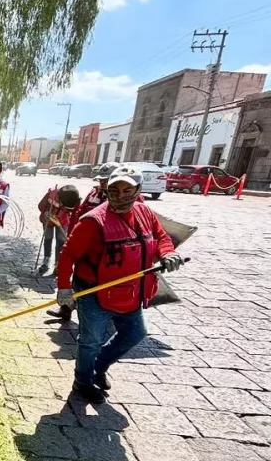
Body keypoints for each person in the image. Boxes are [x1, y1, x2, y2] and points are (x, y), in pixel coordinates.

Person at [55, 165, 183, 406]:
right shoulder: (93, 222)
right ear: (107, 190)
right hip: (95, 292)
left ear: (138, 190)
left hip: (131, 290)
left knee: (135, 334)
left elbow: (161, 238)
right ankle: (82, 382)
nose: (121, 195)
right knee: (90, 340)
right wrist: (64, 288)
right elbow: (67, 254)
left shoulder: (145, 213)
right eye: (115, 189)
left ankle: (98, 367)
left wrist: (167, 254)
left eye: (127, 189)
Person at [36, 184, 81, 276]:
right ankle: (46, 261)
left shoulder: (75, 199)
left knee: (61, 241)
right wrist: (45, 212)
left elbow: (75, 214)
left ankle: (58, 264)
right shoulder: (52, 194)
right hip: (48, 219)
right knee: (48, 238)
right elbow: (41, 205)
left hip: (63, 221)